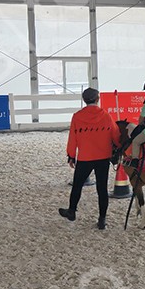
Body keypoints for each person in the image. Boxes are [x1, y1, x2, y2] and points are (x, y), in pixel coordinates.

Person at [59, 88, 120, 230]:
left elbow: (72, 138)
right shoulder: (106, 116)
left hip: (85, 157)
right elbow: (115, 135)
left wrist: (71, 155)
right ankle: (102, 219)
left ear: (84, 100)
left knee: (77, 185)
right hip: (103, 157)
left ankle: (72, 211)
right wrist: (117, 147)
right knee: (102, 189)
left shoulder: (77, 116)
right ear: (97, 99)